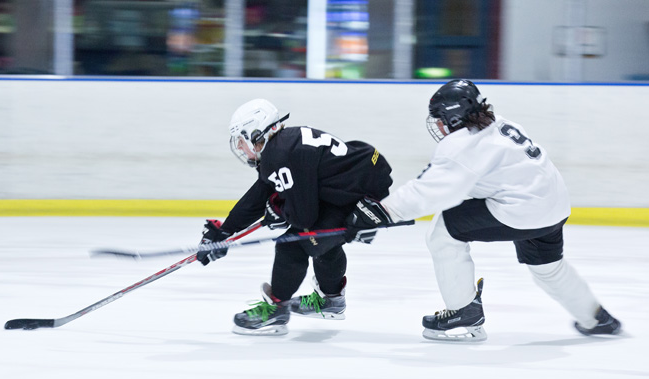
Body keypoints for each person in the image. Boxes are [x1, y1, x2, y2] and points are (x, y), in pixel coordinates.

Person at [345, 79, 621, 342]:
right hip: (554, 207)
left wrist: (383, 211)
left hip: (523, 210)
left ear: (453, 117)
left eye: (440, 117)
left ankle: (464, 313)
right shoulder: (501, 124)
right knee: (549, 269)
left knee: (444, 233)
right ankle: (597, 319)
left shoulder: (462, 143)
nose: (439, 125)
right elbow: (474, 181)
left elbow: (433, 190)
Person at [197, 98, 393, 336]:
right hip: (357, 183)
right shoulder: (281, 146)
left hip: (358, 196)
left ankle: (276, 310)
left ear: (257, 135)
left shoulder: (280, 153)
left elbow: (303, 217)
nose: (239, 148)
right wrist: (226, 230)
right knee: (321, 241)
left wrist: (278, 210)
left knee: (294, 246)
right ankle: (331, 300)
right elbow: (261, 192)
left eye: (241, 140)